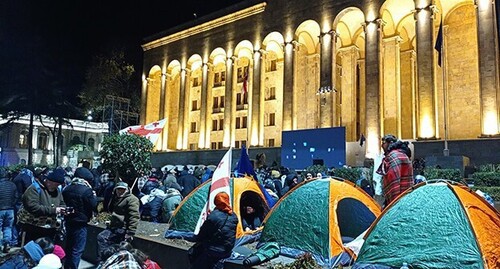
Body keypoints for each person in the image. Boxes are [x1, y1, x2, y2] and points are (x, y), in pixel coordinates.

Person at [18, 168, 67, 244]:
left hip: (50, 227)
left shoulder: (57, 191)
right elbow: (32, 207)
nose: (56, 187)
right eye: (56, 184)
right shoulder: (34, 188)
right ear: (49, 182)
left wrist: (63, 209)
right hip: (34, 227)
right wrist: (53, 210)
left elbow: (62, 203)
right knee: (33, 251)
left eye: (58, 185)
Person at [191, 192, 238, 269]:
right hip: (227, 250)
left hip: (214, 250)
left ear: (216, 201)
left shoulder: (214, 216)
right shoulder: (233, 216)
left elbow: (202, 234)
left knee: (195, 256)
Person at [97, 181, 139, 262]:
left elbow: (134, 216)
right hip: (115, 226)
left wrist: (131, 232)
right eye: (118, 190)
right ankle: (104, 259)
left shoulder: (131, 199)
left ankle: (104, 260)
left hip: (122, 228)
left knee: (104, 238)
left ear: (127, 190)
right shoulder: (117, 198)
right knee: (102, 238)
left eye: (122, 190)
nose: (120, 192)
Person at [62, 176, 97, 269]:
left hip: (68, 220)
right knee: (78, 249)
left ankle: (66, 266)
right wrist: (94, 196)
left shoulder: (66, 189)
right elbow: (94, 205)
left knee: (69, 247)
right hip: (81, 222)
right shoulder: (86, 191)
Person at [377, 134, 414, 206]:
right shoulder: (403, 154)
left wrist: (392, 205)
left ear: (389, 143)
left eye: (383, 143)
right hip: (406, 197)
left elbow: (393, 182)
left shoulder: (393, 156)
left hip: (397, 200)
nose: (381, 146)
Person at [0, 167, 18, 253]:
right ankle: (7, 243)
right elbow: (16, 197)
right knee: (8, 227)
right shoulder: (12, 185)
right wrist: (12, 204)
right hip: (10, 209)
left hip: (0, 209)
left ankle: (0, 245)